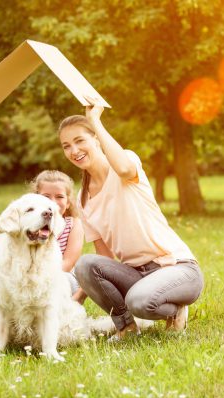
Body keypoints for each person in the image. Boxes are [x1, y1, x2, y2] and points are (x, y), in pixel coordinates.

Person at [58, 100, 204, 341]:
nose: (74, 150)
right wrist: (77, 300)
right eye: (66, 146)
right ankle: (126, 328)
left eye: (79, 140)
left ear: (96, 139)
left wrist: (95, 120)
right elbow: (103, 258)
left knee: (139, 301)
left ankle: (175, 310)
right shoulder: (83, 199)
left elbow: (125, 169)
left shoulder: (125, 163)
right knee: (85, 264)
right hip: (136, 275)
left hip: (177, 268)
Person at [29, 170, 86, 304]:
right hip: (30, 278)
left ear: (68, 202)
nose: (52, 202)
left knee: (62, 281)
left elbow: (68, 263)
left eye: (59, 196)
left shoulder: (73, 224)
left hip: (61, 277)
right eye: (46, 196)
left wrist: (41, 280)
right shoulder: (28, 226)